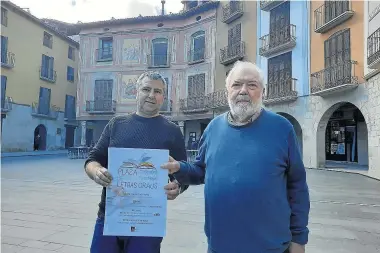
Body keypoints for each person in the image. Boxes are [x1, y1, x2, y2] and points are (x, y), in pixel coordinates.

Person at [161, 61, 310, 253]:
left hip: (270, 247)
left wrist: (298, 239)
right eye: (237, 84)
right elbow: (201, 171)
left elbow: (297, 186)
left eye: (252, 85)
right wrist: (180, 168)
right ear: (227, 92)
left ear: (262, 92)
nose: (243, 91)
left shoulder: (282, 128)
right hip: (220, 246)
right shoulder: (213, 128)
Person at [84, 71, 188, 253]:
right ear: (136, 92)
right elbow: (92, 160)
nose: (151, 95)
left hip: (149, 220)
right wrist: (97, 172)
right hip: (110, 215)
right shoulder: (116, 124)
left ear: (163, 97)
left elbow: (184, 172)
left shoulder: (172, 131)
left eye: (157, 91)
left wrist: (178, 186)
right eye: (146, 89)